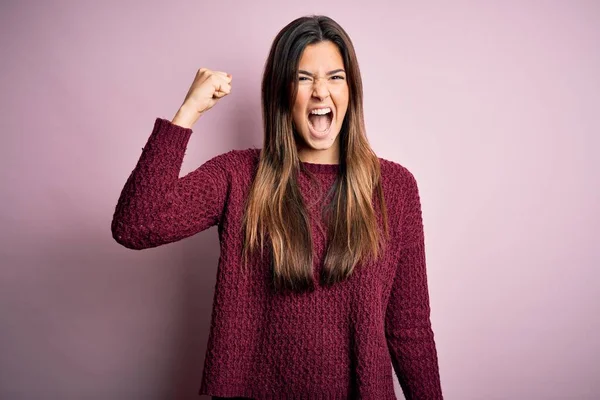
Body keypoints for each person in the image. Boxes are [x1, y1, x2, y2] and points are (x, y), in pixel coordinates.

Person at [111, 14, 443, 400]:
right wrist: (188, 113)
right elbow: (136, 225)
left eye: (335, 76)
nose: (321, 92)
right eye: (304, 78)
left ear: (351, 90)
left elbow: (410, 329)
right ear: (281, 92)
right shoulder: (239, 175)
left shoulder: (394, 188)